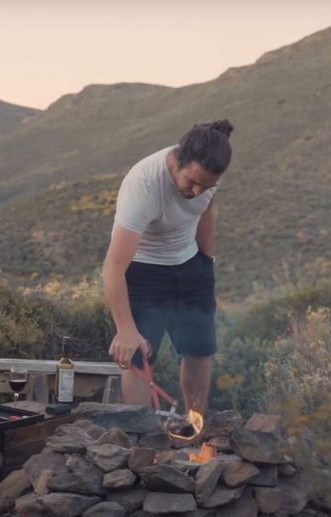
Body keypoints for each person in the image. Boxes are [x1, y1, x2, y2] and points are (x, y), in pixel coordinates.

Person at [102, 120, 234, 415]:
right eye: (191, 182)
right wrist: (125, 330)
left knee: (199, 351)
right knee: (138, 358)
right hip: (143, 269)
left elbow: (205, 210)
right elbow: (113, 267)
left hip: (190, 265)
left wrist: (206, 259)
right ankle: (139, 436)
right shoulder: (145, 186)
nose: (198, 191)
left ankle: (194, 427)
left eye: (207, 185)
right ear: (178, 160)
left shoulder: (209, 176)